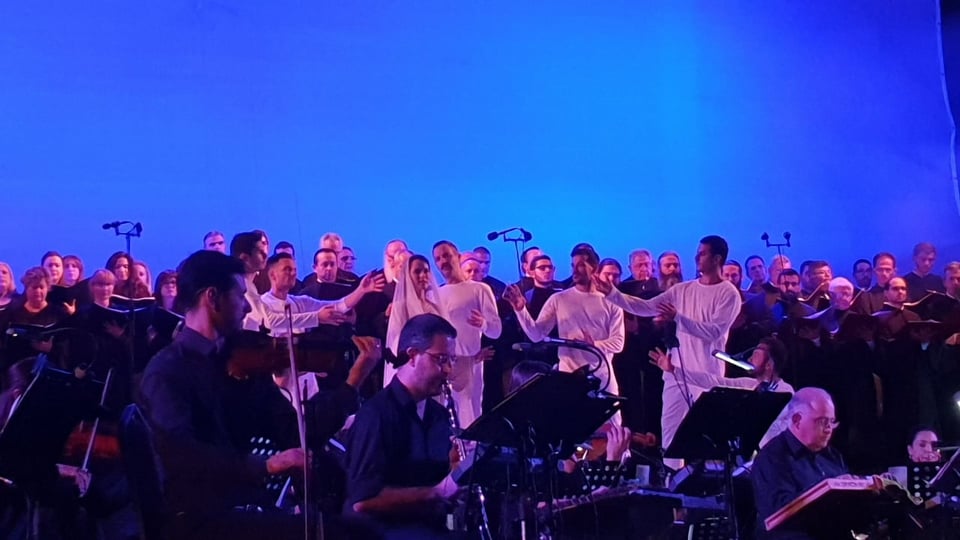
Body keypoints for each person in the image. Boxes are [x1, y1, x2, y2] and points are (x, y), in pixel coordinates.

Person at [140, 250, 359, 540]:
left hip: (243, 501)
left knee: (350, 526)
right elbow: (181, 456)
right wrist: (265, 465)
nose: (246, 307)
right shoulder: (167, 371)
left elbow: (295, 430)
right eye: (240, 296)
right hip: (198, 517)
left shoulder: (241, 361)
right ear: (212, 298)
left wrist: (352, 382)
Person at [594, 236, 741, 450]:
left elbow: (714, 332)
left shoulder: (729, 293)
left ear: (717, 259)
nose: (696, 257)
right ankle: (672, 470)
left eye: (702, 253)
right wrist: (613, 294)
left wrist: (678, 318)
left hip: (707, 374)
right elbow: (646, 307)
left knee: (707, 437)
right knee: (671, 436)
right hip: (675, 372)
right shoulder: (682, 290)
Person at [343, 313, 463, 539]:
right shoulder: (376, 415)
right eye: (441, 359)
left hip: (429, 528)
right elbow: (363, 500)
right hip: (384, 532)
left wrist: (457, 471)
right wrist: (437, 492)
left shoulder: (438, 415)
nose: (448, 369)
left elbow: (434, 478)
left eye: (452, 360)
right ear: (413, 355)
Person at [504, 247, 625, 405]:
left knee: (609, 421)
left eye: (580, 265)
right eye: (573, 265)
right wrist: (521, 310)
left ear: (594, 268)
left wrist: (594, 344)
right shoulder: (559, 299)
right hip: (568, 378)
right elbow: (537, 335)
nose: (575, 270)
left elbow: (618, 343)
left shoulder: (612, 301)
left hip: (602, 379)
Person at [649, 337, 794, 448]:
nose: (750, 358)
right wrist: (674, 370)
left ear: (769, 364)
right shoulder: (748, 384)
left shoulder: (786, 392)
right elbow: (712, 381)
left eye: (755, 355)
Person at [751, 388, 848, 539]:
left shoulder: (832, 455)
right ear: (797, 420)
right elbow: (777, 513)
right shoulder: (772, 458)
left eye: (832, 422)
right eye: (823, 421)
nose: (829, 429)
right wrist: (824, 490)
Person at [432, 241, 501, 426]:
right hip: (443, 368)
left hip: (470, 366)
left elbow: (496, 331)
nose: (443, 261)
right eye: (438, 259)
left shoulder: (479, 289)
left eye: (447, 255)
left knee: (470, 418)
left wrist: (483, 323)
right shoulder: (436, 294)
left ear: (458, 257)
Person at [384, 255, 448, 388]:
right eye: (417, 271)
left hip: (436, 369)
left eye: (426, 271)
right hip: (411, 371)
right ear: (408, 276)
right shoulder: (400, 307)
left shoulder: (435, 307)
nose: (422, 275)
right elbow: (397, 342)